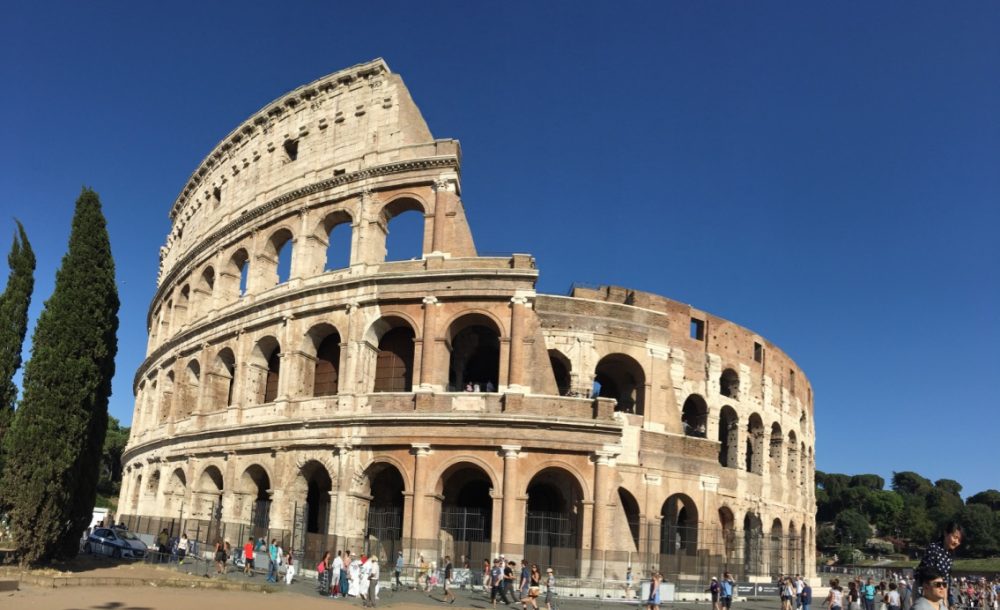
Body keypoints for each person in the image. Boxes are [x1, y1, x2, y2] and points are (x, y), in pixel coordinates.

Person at [917, 523, 963, 607]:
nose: (956, 542)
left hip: (939, 589)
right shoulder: (934, 548)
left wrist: (946, 599)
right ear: (945, 533)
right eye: (955, 537)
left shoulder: (949, 554)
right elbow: (927, 572)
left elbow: (946, 578)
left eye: (959, 540)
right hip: (925, 587)